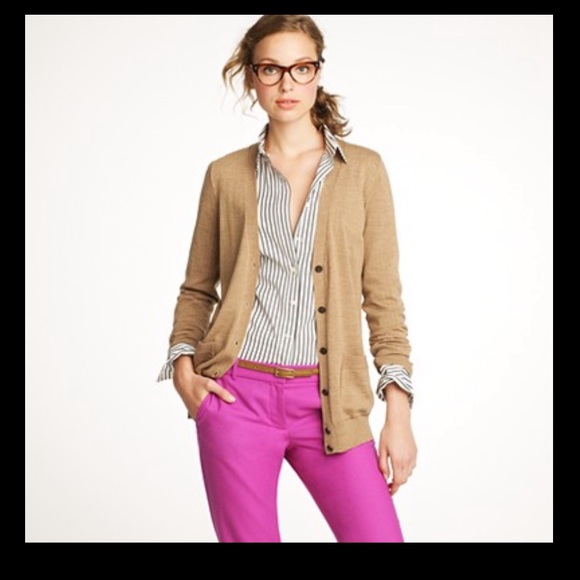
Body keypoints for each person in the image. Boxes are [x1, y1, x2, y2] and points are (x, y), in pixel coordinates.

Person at [157, 14, 417, 543]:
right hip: (237, 399)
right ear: (251, 76)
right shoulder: (225, 175)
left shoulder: (363, 171)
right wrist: (184, 371)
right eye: (270, 69)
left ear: (318, 72)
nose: (286, 84)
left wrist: (399, 411)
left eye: (301, 68)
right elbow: (197, 289)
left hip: (331, 401)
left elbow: (383, 302)